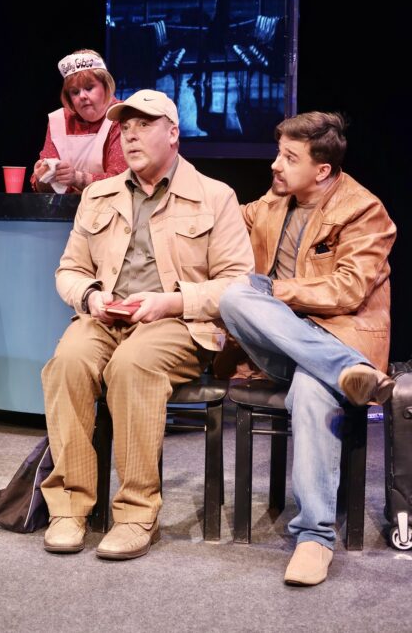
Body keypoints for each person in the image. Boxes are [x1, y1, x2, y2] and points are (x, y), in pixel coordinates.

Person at [40, 88, 254, 559]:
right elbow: (68, 270)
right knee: (67, 361)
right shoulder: (99, 194)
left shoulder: (214, 196)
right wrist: (91, 296)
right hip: (107, 319)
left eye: (144, 125)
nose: (131, 135)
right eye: (126, 127)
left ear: (173, 133)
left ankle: (137, 514)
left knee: (133, 365)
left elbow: (238, 285)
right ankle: (69, 507)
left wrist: (170, 302)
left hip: (179, 323)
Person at [218, 111, 397, 586]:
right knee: (235, 297)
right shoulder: (273, 201)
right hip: (287, 347)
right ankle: (346, 371)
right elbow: (219, 219)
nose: (275, 165)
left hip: (339, 334)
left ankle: (314, 538)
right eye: (278, 153)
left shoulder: (364, 210)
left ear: (322, 170)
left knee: (313, 390)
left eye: (289, 157)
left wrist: (273, 291)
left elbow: (348, 289)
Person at [31, 49, 127, 193]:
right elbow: (42, 187)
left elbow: (121, 180)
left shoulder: (122, 115)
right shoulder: (58, 121)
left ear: (106, 86)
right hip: (67, 207)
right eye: (75, 92)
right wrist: (43, 178)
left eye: (89, 88)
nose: (82, 96)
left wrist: (78, 178)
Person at [188, 0, 231, 87]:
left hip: (218, 29)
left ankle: (202, 73)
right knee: (202, 47)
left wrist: (212, 23)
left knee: (202, 47)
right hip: (219, 27)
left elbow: (221, 12)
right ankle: (204, 72)